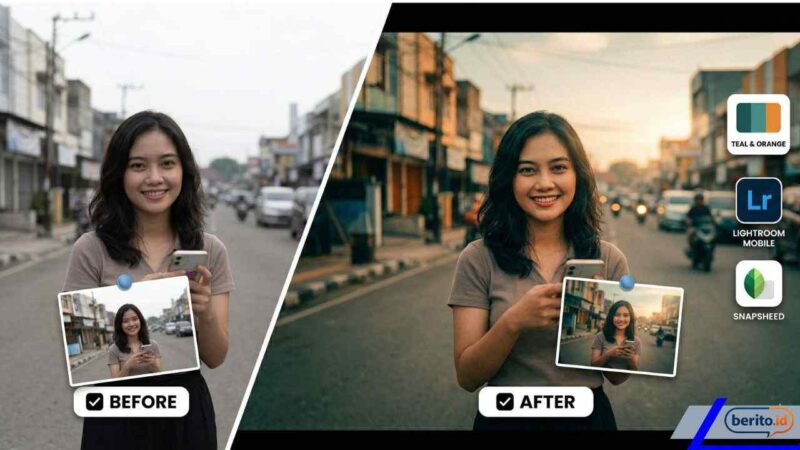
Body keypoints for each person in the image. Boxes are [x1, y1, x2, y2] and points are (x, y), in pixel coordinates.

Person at [62, 111, 235, 450]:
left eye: (167, 163)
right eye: (138, 165)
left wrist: (203, 313)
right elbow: (79, 360)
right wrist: (135, 302)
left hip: (185, 415)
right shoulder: (90, 249)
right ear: (119, 174)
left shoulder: (209, 250)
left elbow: (215, 357)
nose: (155, 178)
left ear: (184, 170)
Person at [448, 111, 630, 431]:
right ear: (509, 178)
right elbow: (468, 377)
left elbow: (618, 376)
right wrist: (514, 321)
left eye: (558, 168)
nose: (544, 183)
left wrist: (610, 328)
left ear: (578, 176)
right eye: (527, 170)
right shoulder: (478, 259)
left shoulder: (608, 259)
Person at [108, 304, 162, 378]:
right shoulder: (114, 350)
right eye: (126, 321)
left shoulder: (153, 345)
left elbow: (159, 374)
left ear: (140, 320)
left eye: (135, 319)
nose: (131, 324)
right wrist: (128, 366)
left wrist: (153, 364)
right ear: (120, 325)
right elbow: (115, 381)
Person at [591, 300, 641, 371]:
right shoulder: (600, 336)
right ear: (611, 317)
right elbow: (593, 365)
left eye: (626, 315)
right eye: (617, 315)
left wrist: (631, 358)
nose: (621, 319)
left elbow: (635, 369)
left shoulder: (636, 341)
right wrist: (608, 354)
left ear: (631, 318)